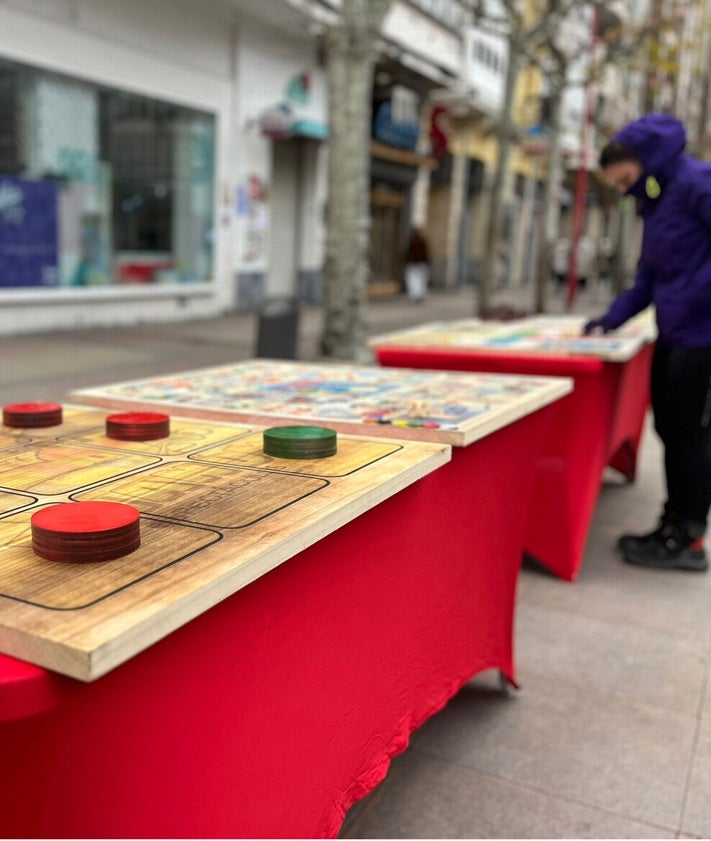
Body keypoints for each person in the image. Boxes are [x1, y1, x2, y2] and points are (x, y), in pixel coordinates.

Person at [583, 113, 711, 572]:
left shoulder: (698, 181)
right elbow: (649, 278)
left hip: (704, 336)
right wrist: (609, 320)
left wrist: (697, 297)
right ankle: (672, 524)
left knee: (693, 437)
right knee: (671, 432)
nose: (623, 189)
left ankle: (690, 539)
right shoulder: (653, 202)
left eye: (625, 179)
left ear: (646, 160)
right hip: (674, 334)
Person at [404, 228, 430, 302]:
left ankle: (416, 295)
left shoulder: (413, 242)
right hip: (420, 263)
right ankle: (419, 294)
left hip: (414, 263)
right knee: (421, 280)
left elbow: (408, 253)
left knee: (414, 280)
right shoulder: (422, 242)